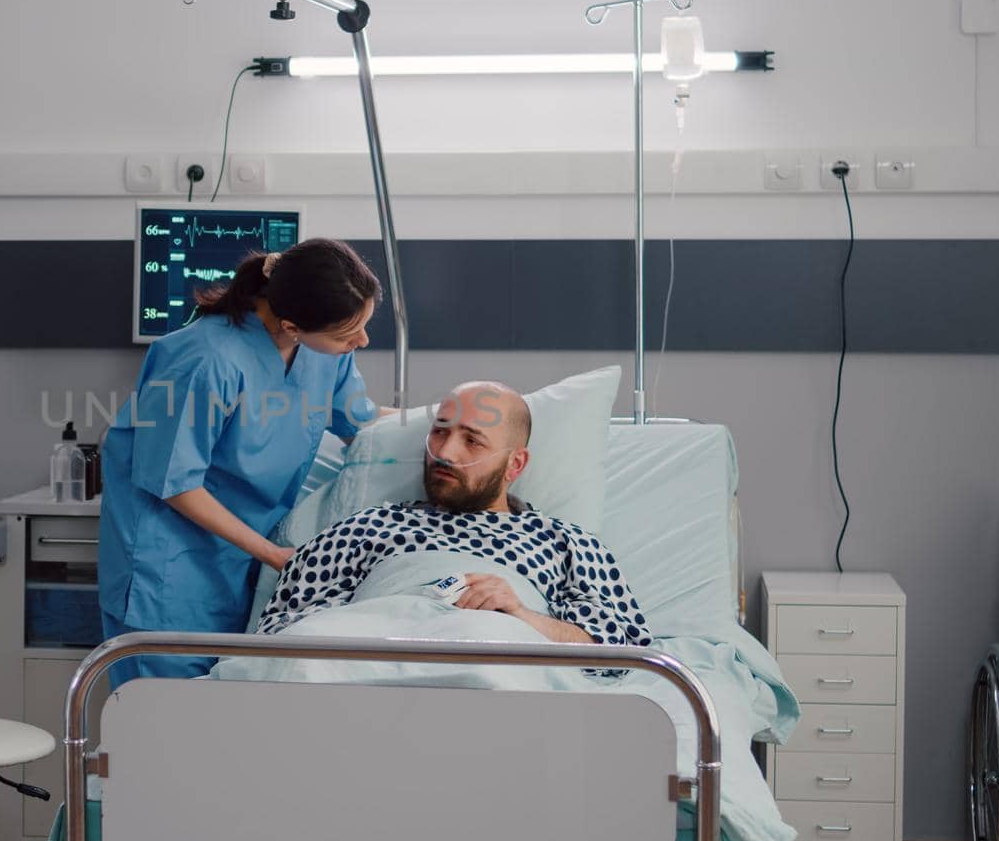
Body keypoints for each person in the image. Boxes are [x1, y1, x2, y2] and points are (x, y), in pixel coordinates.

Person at [98, 238, 390, 688]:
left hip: (243, 565)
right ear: (292, 325)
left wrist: (446, 419)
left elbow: (359, 421)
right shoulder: (202, 359)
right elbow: (175, 482)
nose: (362, 340)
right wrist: (273, 554)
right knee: (160, 726)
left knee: (223, 727)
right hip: (170, 572)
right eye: (347, 333)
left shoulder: (324, 353)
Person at [257, 381, 651, 649]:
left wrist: (520, 616)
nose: (445, 453)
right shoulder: (365, 526)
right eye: (440, 432)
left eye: (472, 440)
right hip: (370, 659)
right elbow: (283, 633)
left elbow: (619, 649)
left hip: (494, 649)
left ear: (515, 465)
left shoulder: (564, 542)